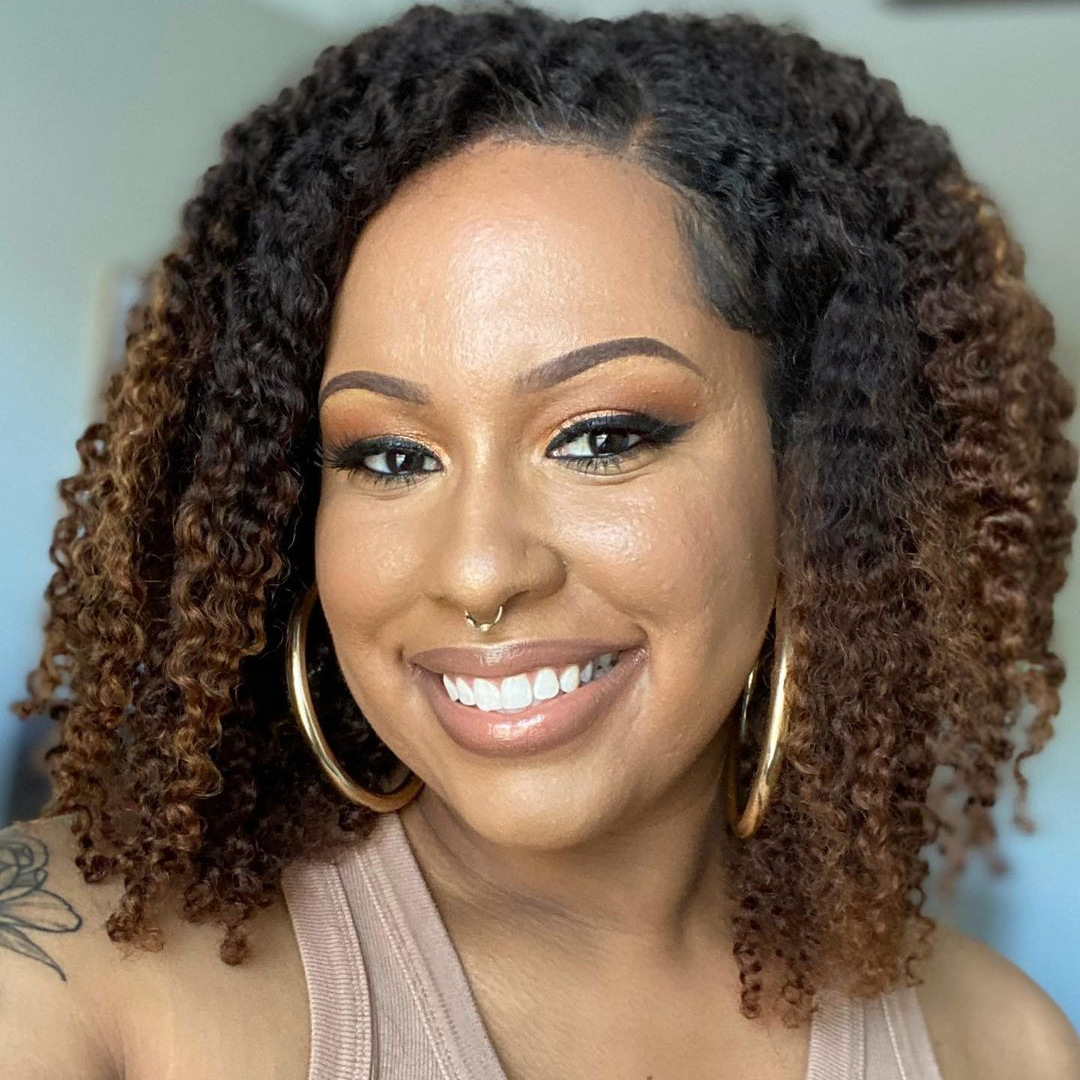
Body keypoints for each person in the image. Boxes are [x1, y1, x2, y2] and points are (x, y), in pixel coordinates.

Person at [3, 3, 1079, 1078]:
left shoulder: (1006, 1050)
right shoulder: (69, 987)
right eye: (390, 456)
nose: (479, 570)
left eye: (600, 437)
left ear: (819, 481)